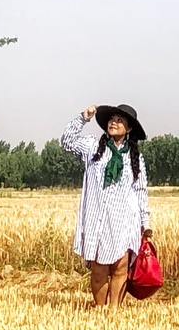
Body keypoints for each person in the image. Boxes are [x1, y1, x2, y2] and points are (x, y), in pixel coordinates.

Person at [59, 104, 152, 309]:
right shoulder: (93, 147)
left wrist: (145, 223)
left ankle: (114, 311)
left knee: (120, 267)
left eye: (120, 120)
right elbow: (67, 141)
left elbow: (140, 190)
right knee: (99, 270)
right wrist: (83, 118)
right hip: (97, 219)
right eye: (112, 119)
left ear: (128, 129)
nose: (114, 122)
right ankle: (101, 309)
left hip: (124, 220)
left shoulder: (135, 158)